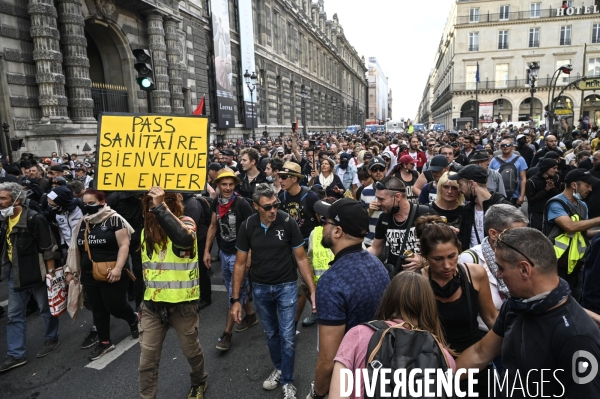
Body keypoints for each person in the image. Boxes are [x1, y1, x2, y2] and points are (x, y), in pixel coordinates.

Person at [456, 227, 600, 398]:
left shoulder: (577, 338)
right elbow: (480, 353)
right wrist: (437, 380)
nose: (499, 275)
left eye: (501, 268)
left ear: (524, 270)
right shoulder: (516, 305)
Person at [231, 183, 316, 398]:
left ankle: (288, 381)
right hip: (260, 288)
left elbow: (301, 258)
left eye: (275, 205)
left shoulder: (287, 221)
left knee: (287, 336)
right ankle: (279, 368)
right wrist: (235, 299)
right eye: (267, 207)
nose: (272, 211)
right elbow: (240, 264)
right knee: (271, 334)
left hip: (286, 286)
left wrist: (313, 291)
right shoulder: (248, 226)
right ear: (255, 206)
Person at [306, 198, 390, 399]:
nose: (322, 225)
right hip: (379, 369)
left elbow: (328, 359)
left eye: (325, 221)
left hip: (350, 381)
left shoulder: (332, 281)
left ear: (337, 231)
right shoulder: (377, 265)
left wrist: (317, 392)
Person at [328, 272, 457, 399]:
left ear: (388, 299)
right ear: (429, 306)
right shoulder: (443, 356)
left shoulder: (358, 335)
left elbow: (337, 395)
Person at [138, 186, 208, 399]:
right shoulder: (146, 231)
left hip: (182, 306)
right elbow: (146, 269)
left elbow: (184, 240)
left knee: (191, 352)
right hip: (152, 307)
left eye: (157, 204)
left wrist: (161, 208)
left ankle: (199, 381)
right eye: (149, 205)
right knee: (146, 362)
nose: (152, 209)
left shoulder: (186, 224)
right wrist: (141, 303)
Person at [415, 215, 498, 395]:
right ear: (425, 257)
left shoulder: (474, 274)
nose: (447, 265)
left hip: (475, 364)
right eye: (438, 259)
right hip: (434, 368)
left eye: (452, 256)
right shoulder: (417, 283)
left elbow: (491, 317)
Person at [64, 188, 138, 360]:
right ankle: (104, 342)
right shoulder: (83, 223)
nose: (88, 207)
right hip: (89, 274)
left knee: (115, 306)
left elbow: (124, 246)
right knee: (98, 310)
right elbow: (75, 249)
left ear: (103, 202)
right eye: (85, 204)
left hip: (112, 272)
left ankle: (133, 320)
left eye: (92, 203)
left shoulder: (115, 220)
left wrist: (119, 268)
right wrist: (71, 270)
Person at [0, 182, 60, 372]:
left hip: (37, 274)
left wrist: (50, 276)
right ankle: (16, 354)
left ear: (17, 199)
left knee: (45, 309)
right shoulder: (5, 219)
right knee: (14, 315)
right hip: (15, 275)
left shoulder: (34, 218)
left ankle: (51, 338)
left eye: (3, 198)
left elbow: (48, 249)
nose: (0, 202)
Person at [203, 168, 255, 351]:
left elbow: (252, 231)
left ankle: (227, 334)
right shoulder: (216, 202)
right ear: (217, 185)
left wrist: (249, 256)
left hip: (239, 255)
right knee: (235, 288)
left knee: (234, 294)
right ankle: (250, 315)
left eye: (231, 184)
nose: (227, 188)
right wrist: (207, 251)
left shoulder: (242, 204)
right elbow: (212, 226)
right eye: (224, 184)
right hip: (224, 254)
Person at [458, 204, 528, 331]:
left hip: (520, 329)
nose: (523, 241)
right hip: (485, 334)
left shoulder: (524, 256)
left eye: (524, 234)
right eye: (515, 235)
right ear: (493, 233)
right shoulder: (470, 260)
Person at [543, 168, 600, 301]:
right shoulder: (556, 203)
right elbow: (570, 227)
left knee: (575, 300)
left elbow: (584, 234)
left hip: (577, 264)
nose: (590, 189)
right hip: (556, 264)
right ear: (574, 185)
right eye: (587, 185)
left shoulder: (583, 206)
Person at [278, 161, 320, 329]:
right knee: (301, 285)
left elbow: (320, 223)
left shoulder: (310, 197)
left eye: (284, 177)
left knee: (302, 286)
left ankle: (292, 324)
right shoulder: (281, 198)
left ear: (295, 179)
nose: (280, 180)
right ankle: (319, 310)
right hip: (290, 248)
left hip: (309, 248)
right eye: (279, 177)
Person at [367, 176, 429, 274]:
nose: (378, 203)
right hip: (397, 279)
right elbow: (376, 248)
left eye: (381, 199)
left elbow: (442, 250)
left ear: (398, 197)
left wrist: (424, 260)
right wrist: (358, 257)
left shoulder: (425, 214)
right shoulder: (384, 218)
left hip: (422, 279)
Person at [450, 164, 511, 251]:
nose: (459, 189)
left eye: (460, 185)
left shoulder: (502, 208)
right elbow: (464, 240)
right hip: (471, 261)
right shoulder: (467, 209)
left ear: (471, 184)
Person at [489, 138, 528, 206]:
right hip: (498, 197)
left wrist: (522, 196)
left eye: (508, 145)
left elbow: (523, 179)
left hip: (514, 196)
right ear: (500, 147)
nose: (505, 147)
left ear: (512, 147)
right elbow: (489, 178)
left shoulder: (520, 159)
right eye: (503, 145)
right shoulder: (494, 160)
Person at [525, 158, 561, 231]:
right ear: (546, 168)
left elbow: (558, 196)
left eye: (557, 168)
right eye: (554, 168)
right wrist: (545, 190)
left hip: (551, 212)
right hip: (537, 214)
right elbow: (531, 200)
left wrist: (552, 187)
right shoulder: (532, 181)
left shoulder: (555, 178)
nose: (556, 171)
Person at [359, 157, 387, 247]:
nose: (378, 172)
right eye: (375, 169)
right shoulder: (365, 191)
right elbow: (361, 219)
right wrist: (369, 211)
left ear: (386, 170)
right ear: (369, 172)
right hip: (370, 240)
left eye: (381, 169)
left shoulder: (393, 189)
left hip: (388, 242)